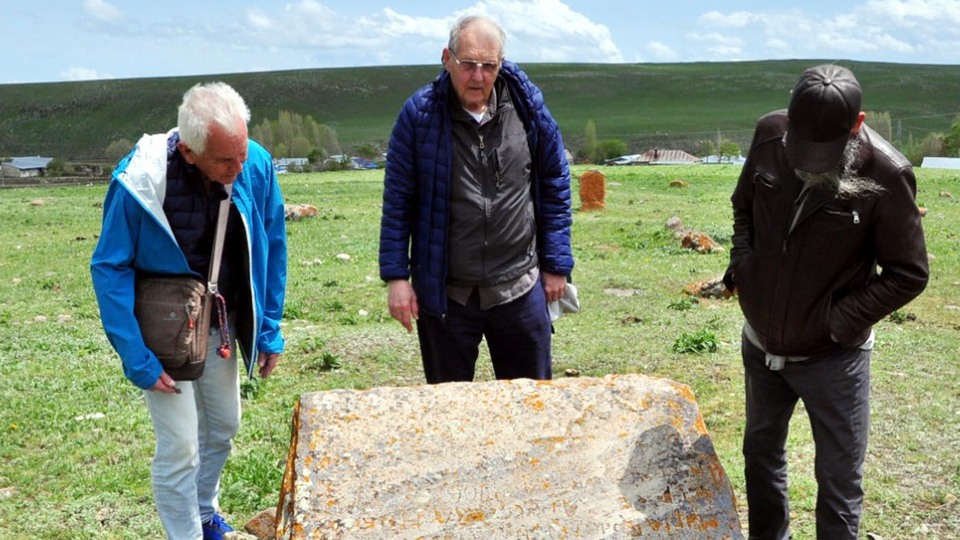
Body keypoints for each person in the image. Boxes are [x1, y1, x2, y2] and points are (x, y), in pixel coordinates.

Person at [723, 64, 929, 539]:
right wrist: (745, 270)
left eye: (824, 151)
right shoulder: (769, 135)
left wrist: (837, 323)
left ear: (857, 124)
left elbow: (909, 273)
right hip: (761, 344)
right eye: (801, 144)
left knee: (838, 481)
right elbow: (743, 206)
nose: (808, 163)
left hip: (834, 360)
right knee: (760, 457)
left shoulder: (887, 173)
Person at [91, 82, 287, 540]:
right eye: (225, 161)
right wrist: (137, 357)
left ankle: (203, 512)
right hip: (162, 334)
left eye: (242, 153)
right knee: (180, 445)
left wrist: (267, 328)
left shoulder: (255, 163)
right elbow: (109, 267)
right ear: (189, 151)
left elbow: (273, 242)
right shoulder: (140, 182)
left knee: (223, 426)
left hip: (218, 320)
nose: (239, 169)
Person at [379, 14, 574, 384]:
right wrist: (396, 277)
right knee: (449, 408)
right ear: (447, 59)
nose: (479, 76)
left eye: (489, 66)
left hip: (519, 286)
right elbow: (398, 200)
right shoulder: (419, 116)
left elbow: (554, 183)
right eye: (468, 64)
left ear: (501, 63)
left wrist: (556, 263)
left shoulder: (528, 107)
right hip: (448, 296)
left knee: (530, 405)